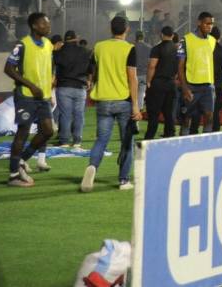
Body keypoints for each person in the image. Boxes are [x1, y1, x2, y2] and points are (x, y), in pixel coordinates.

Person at [81, 16, 142, 192]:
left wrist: (91, 87)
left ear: (110, 28)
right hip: (123, 101)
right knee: (126, 142)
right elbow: (132, 78)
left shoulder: (99, 47)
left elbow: (92, 71)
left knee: (101, 140)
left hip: (103, 100)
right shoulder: (129, 48)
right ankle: (123, 180)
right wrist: (136, 105)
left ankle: (92, 166)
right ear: (127, 29)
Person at [3, 12, 55, 187]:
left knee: (48, 131)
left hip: (43, 96)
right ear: (34, 26)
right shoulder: (22, 44)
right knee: (22, 133)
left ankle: (22, 160)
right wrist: (31, 86)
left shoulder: (48, 44)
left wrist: (50, 86)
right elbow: (8, 69)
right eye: (44, 24)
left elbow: (48, 66)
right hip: (26, 95)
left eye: (48, 23)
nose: (48, 26)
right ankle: (13, 176)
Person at [177, 12, 217, 134]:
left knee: (209, 118)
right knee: (186, 118)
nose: (209, 26)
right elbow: (180, 66)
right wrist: (184, 87)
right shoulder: (186, 40)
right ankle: (183, 142)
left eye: (211, 24)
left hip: (208, 87)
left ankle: (206, 143)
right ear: (199, 23)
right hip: (191, 86)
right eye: (207, 23)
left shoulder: (212, 40)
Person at [53, 29, 91, 150]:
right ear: (76, 38)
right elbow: (91, 67)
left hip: (64, 86)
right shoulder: (85, 51)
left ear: (65, 40)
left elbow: (53, 66)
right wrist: (89, 80)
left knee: (65, 114)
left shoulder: (58, 52)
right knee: (79, 114)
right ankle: (77, 141)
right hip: (80, 87)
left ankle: (64, 140)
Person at [144, 25, 178, 140]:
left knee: (154, 112)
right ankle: (170, 135)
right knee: (169, 112)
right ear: (172, 35)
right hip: (171, 83)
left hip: (158, 83)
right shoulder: (177, 49)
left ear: (161, 35)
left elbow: (152, 66)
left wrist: (148, 81)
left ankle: (149, 137)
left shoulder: (157, 48)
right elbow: (180, 66)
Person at [133, 31, 150, 109]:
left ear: (136, 37)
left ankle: (133, 108)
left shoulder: (132, 47)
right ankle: (139, 109)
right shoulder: (149, 48)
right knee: (141, 92)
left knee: (133, 92)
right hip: (144, 74)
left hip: (134, 74)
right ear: (143, 37)